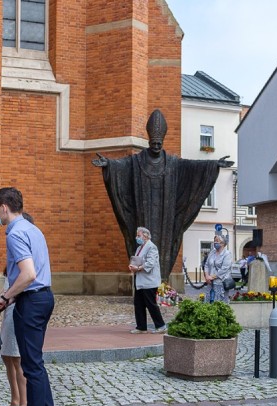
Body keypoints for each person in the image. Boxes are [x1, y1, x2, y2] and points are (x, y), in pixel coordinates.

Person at [92, 109, 233, 281]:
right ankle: (144, 282)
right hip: (143, 214)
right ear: (149, 141)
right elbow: (122, 165)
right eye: (154, 143)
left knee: (164, 249)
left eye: (159, 144)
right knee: (143, 244)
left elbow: (192, 167)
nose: (157, 147)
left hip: (165, 219)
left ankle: (162, 282)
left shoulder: (173, 163)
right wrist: (109, 165)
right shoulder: (137, 161)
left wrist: (213, 165)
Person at [0, 187, 54, 406]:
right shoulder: (33, 229)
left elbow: (28, 274)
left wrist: (6, 296)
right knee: (35, 362)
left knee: (31, 365)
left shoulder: (15, 233)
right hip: (43, 297)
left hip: (31, 301)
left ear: (4, 207)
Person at [129, 226, 166, 333]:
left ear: (145, 236)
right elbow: (136, 260)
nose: (137, 237)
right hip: (140, 282)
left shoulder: (151, 247)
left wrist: (139, 268)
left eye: (138, 235)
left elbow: (150, 263)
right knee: (139, 304)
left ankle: (161, 326)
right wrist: (132, 266)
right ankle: (141, 327)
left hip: (149, 282)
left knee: (151, 304)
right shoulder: (139, 248)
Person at [203, 233, 233, 303]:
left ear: (222, 243)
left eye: (217, 241)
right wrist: (207, 276)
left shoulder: (227, 254)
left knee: (219, 301)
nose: (215, 242)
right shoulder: (212, 252)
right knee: (208, 299)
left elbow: (224, 269)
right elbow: (206, 264)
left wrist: (212, 277)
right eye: (214, 240)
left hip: (221, 281)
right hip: (210, 281)